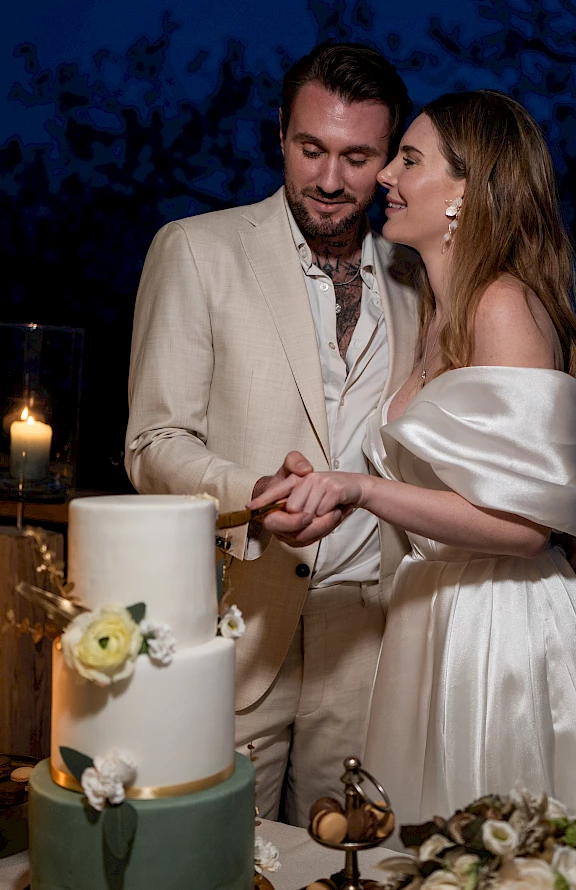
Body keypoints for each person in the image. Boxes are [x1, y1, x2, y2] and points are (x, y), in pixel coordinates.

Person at [249, 89, 576, 839]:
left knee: (491, 850)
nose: (384, 175)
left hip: (496, 633)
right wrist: (323, 485)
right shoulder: (438, 310)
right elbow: (443, 478)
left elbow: (520, 529)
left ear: (467, 191)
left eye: (409, 159)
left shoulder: (503, 307)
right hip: (430, 613)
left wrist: (361, 487)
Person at [125, 42, 420, 826]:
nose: (328, 179)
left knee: (344, 859)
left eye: (357, 157)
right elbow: (153, 442)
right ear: (278, 134)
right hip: (237, 622)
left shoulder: (423, 277)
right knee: (213, 856)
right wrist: (251, 493)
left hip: (371, 634)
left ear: (391, 159)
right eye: (310, 148)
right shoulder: (196, 250)